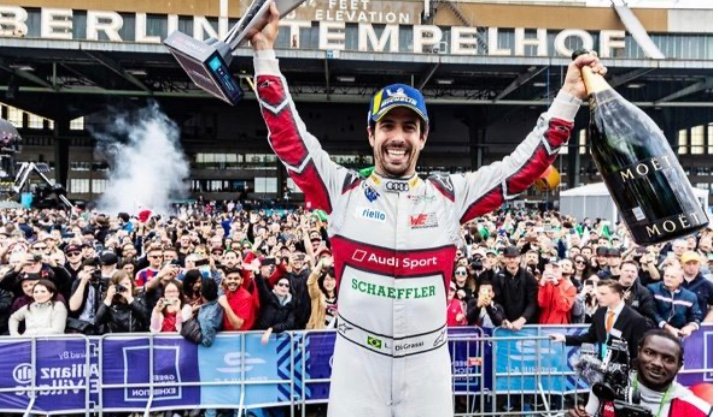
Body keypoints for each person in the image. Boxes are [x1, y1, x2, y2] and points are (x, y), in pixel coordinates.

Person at [248, 4, 606, 415]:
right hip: (356, 365)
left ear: (423, 137)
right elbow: (289, 139)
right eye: (388, 126)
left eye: (409, 127)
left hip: (427, 368)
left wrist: (568, 97)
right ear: (371, 133)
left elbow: (521, 170)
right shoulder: (343, 189)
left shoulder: (448, 195)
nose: (398, 138)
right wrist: (264, 53)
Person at [570, 329, 712, 417]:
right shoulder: (607, 389)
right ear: (639, 352)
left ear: (679, 365)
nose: (657, 363)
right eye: (650, 353)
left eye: (668, 359)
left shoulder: (698, 409)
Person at [549, 280, 651, 361]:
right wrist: (565, 338)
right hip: (602, 365)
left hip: (623, 370)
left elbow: (637, 352)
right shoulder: (600, 313)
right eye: (598, 293)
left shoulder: (636, 319)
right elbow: (590, 337)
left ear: (617, 295)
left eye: (603, 294)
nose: (598, 297)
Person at [647, 265, 701, 339]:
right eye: (666, 276)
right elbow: (651, 312)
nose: (668, 279)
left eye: (672, 277)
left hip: (678, 334)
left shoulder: (690, 296)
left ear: (681, 280)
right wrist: (667, 327)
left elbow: (696, 316)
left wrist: (690, 327)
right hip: (655, 332)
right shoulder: (652, 289)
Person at [493, 246, 539, 329]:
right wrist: (502, 319)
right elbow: (496, 302)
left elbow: (532, 302)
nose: (512, 260)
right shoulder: (497, 277)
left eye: (514, 257)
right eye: (509, 257)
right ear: (504, 259)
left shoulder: (529, 277)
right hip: (505, 325)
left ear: (520, 258)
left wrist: (522, 320)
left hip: (527, 324)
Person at [617, 260, 657, 324]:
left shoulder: (643, 292)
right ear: (620, 272)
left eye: (633, 272)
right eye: (626, 271)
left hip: (632, 324)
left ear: (637, 274)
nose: (630, 274)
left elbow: (650, 316)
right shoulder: (610, 288)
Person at [537, 260, 576, 325]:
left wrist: (556, 285)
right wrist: (542, 283)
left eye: (556, 270)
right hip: (543, 324)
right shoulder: (545, 284)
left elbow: (563, 307)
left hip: (560, 325)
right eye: (552, 269)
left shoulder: (570, 287)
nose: (554, 272)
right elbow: (542, 304)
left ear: (561, 271)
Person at [679, 251, 712, 322]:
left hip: (698, 324)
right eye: (688, 263)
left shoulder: (706, 284)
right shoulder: (675, 281)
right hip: (676, 325)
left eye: (695, 263)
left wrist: (705, 323)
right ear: (682, 264)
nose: (692, 267)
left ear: (699, 265)